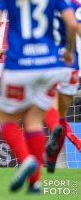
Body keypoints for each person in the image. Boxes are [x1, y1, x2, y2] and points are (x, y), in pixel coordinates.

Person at [0, 0, 77, 193]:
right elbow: (71, 24)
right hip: (49, 65)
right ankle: (35, 183)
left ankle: (27, 158)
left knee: (6, 116)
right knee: (35, 119)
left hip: (18, 67)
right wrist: (70, 51)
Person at [44, 1, 81, 173]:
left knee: (50, 112)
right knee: (60, 113)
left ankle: (47, 156)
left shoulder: (40, 7)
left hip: (47, 64)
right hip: (71, 66)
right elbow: (76, 27)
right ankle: (73, 141)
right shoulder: (73, 5)